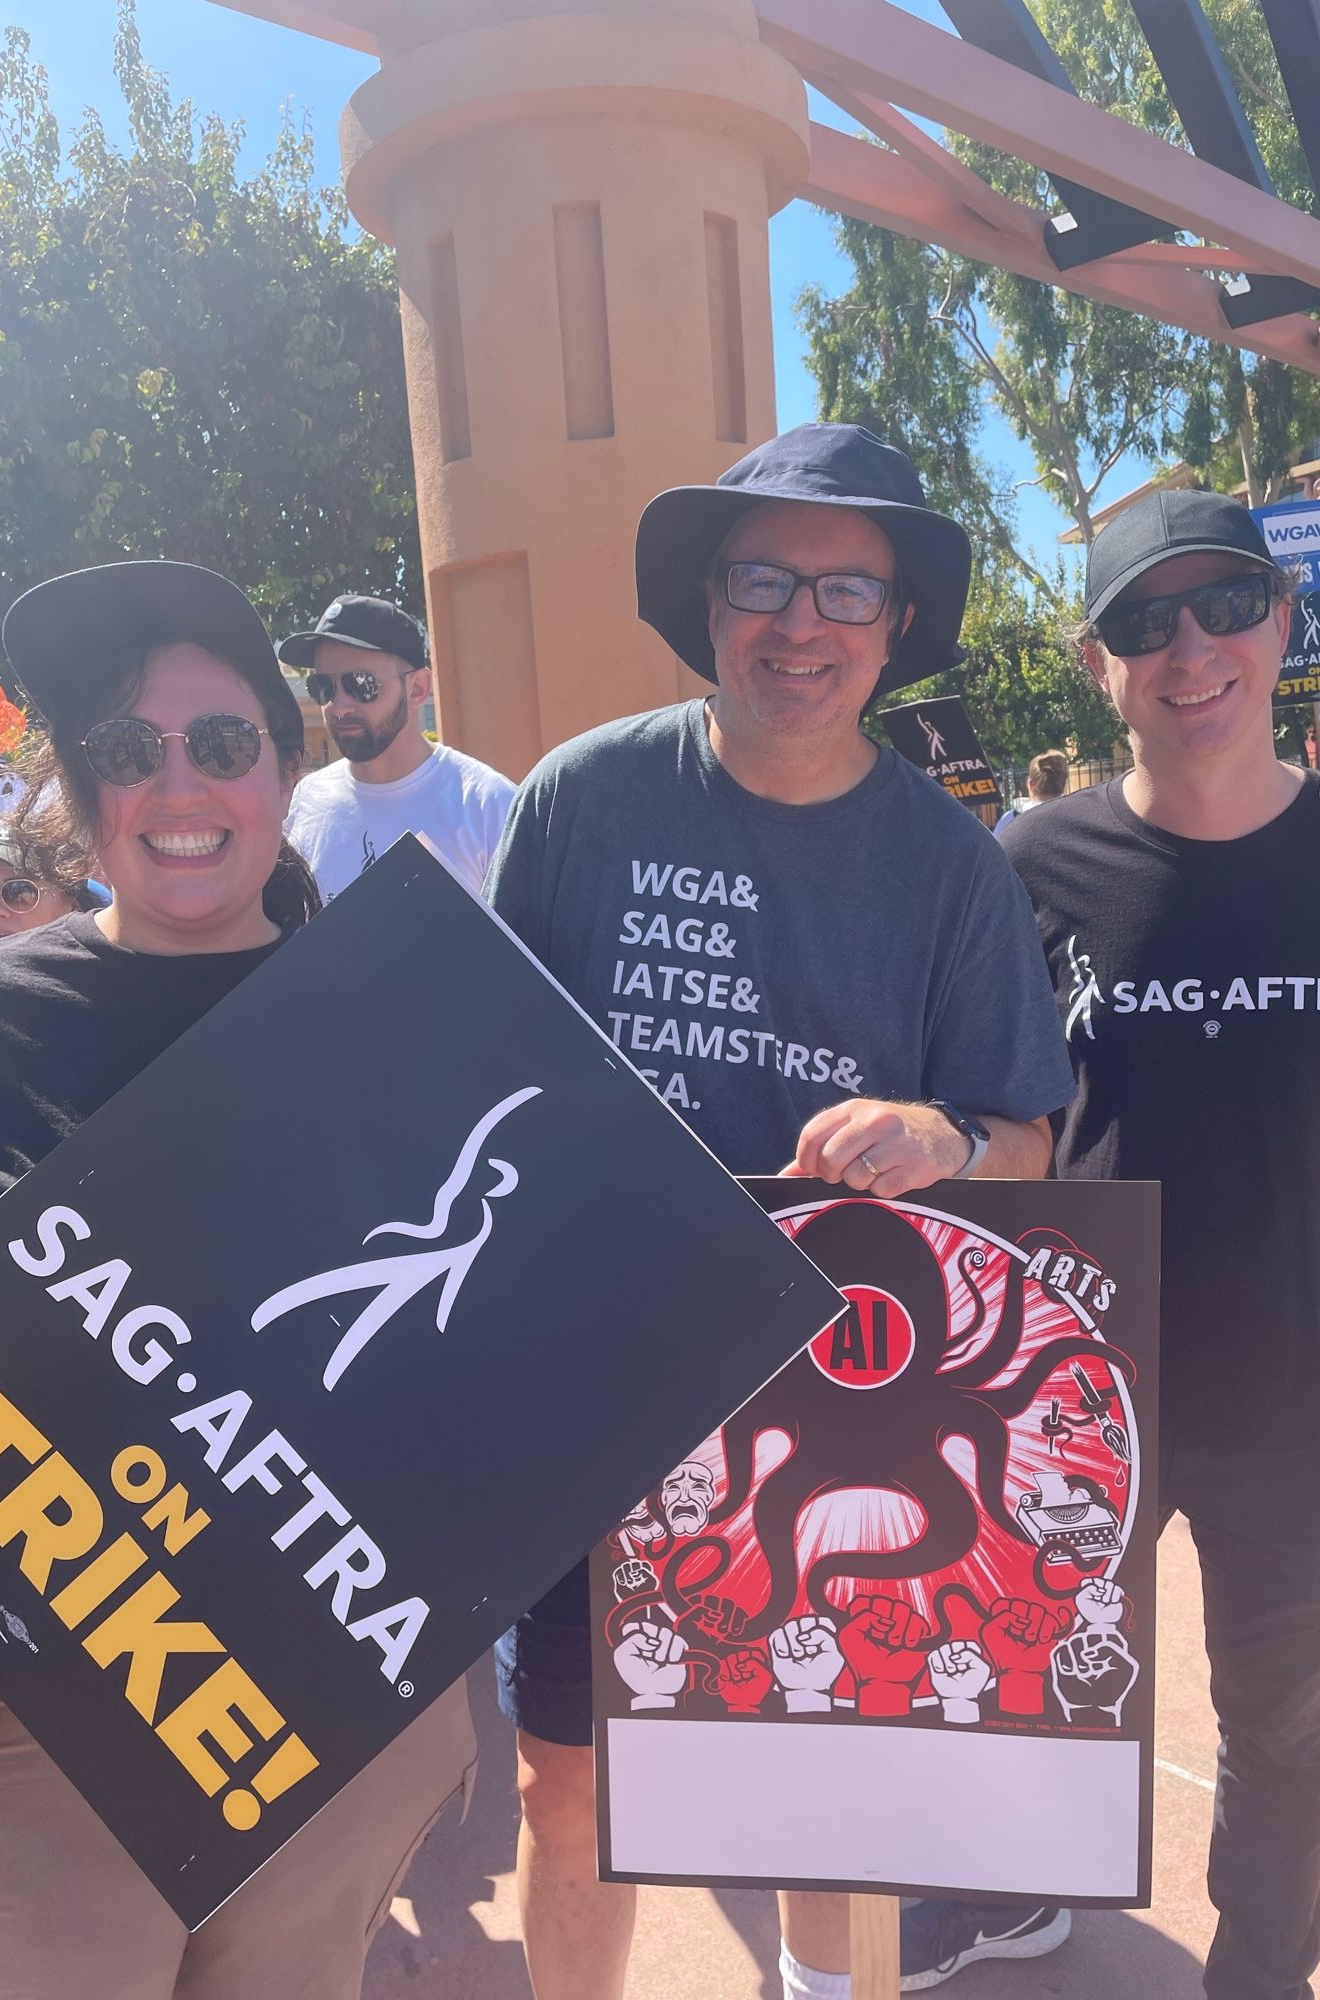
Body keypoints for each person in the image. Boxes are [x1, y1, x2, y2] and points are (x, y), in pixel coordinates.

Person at [483, 422, 1075, 2000]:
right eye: (765, 579)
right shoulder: (582, 800)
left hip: (842, 1403)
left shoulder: (953, 868)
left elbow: (1027, 1139)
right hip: (589, 1396)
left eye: (847, 593)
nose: (800, 623)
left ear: (892, 632)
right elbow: (480, 1082)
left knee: (832, 1796)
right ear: (710, 600)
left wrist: (941, 1134)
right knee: (572, 1789)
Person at [0, 560, 476, 2000]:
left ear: (282, 767)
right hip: (32, 1715)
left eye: (218, 743)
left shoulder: (416, 1023)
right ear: (77, 793)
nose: (175, 785)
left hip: (338, 1697)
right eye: (123, 753)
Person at [900, 489, 1320, 1998]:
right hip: (1086, 1396)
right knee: (1013, 1681)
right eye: (1142, 621)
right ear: (1096, 659)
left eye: (1226, 603)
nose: (1192, 649)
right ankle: (1003, 1907)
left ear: (1283, 622)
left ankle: (1263, 1973)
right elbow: (996, 1118)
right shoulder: (1030, 868)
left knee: (1283, 1728)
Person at [280, 594, 514, 897]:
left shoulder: (488, 807)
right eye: (323, 687)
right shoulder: (303, 804)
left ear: (417, 689)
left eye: (361, 684)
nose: (339, 706)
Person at [993, 747, 1068, 835]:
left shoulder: (1010, 820)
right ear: (1063, 783)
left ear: (1030, 784)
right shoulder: (1078, 815)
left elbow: (990, 847)